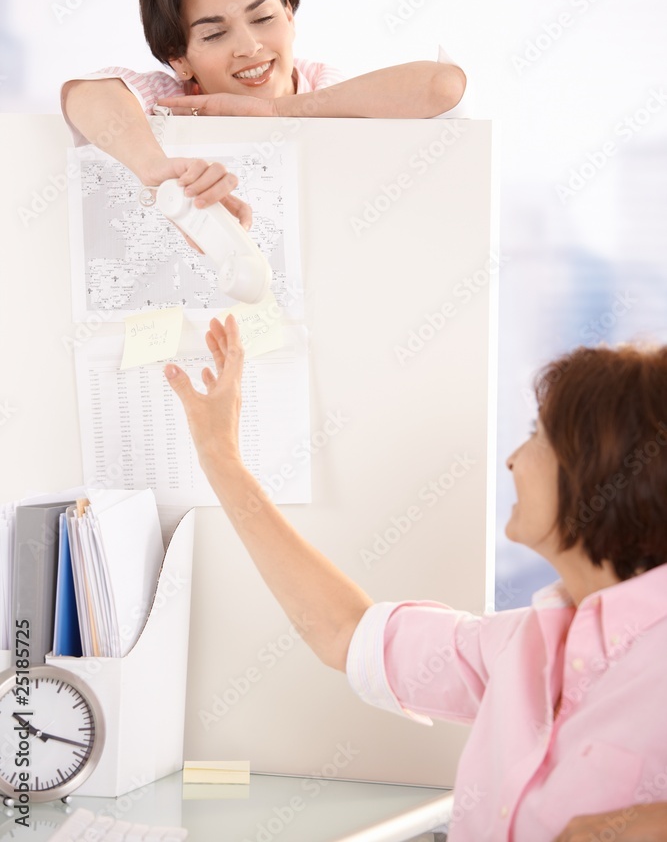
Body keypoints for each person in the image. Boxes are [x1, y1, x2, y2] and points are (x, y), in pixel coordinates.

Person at [162, 321, 667, 841]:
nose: (514, 459)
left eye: (539, 434)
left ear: (603, 463)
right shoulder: (526, 643)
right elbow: (345, 631)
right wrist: (220, 457)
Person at [61, 0, 466, 239]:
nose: (250, 46)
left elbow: (442, 86)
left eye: (263, 17)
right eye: (215, 33)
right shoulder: (174, 99)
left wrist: (275, 109)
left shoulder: (325, 86)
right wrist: (153, 168)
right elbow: (87, 93)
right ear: (180, 58)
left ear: (289, 13)